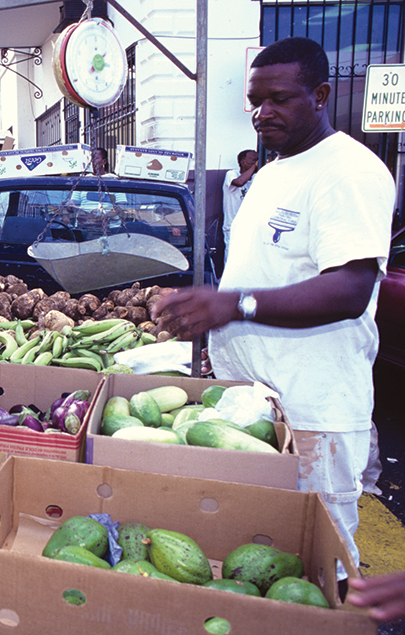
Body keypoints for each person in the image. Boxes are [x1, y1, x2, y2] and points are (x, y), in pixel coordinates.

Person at [153, 37, 394, 574]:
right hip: (259, 408)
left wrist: (233, 306)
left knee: (319, 561)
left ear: (321, 95)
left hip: (315, 410)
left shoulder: (348, 172)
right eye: (255, 101)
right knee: (257, 554)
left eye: (280, 99)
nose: (263, 114)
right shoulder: (275, 170)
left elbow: (350, 290)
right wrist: (207, 313)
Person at [221, 148, 259, 262]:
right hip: (233, 226)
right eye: (254, 160)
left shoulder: (256, 177)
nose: (256, 163)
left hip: (250, 226)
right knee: (231, 256)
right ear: (243, 162)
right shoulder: (232, 174)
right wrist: (254, 167)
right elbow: (239, 182)